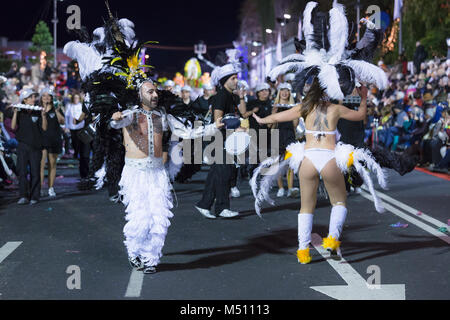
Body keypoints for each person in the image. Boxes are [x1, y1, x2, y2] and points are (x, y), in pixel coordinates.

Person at [250, 1, 389, 264]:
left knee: (306, 207)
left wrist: (262, 117)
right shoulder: (335, 108)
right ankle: (331, 240)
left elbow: (279, 115)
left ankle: (303, 252)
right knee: (339, 202)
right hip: (329, 157)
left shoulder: (305, 106)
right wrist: (362, 96)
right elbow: (360, 116)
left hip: (307, 159)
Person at [110, 80, 224, 273]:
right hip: (135, 174)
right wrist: (115, 117)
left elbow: (187, 132)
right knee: (140, 217)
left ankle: (151, 259)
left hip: (157, 173)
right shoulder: (131, 115)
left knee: (159, 216)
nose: (155, 95)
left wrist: (213, 127)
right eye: (149, 92)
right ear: (139, 95)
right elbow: (116, 123)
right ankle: (134, 251)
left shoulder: (162, 116)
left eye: (156, 91)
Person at [195, 50, 255, 219]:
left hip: (227, 140)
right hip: (220, 139)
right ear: (224, 81)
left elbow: (242, 114)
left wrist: (241, 98)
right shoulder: (221, 96)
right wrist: (236, 129)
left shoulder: (231, 96)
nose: (236, 80)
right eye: (233, 78)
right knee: (223, 174)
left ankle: (205, 204)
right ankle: (221, 207)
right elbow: (218, 120)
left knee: (217, 173)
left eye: (236, 77)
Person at [11, 88, 48, 205]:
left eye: (34, 97)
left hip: (36, 146)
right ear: (25, 100)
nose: (34, 99)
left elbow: (44, 128)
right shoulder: (20, 111)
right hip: (22, 145)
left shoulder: (38, 110)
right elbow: (13, 127)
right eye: (31, 97)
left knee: (35, 172)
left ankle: (34, 196)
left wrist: (43, 116)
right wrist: (15, 113)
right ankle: (23, 195)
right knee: (22, 171)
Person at [271, 83, 300, 198]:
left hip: (289, 135)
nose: (284, 92)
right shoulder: (275, 105)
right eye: (282, 90)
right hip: (277, 135)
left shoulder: (293, 106)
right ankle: (281, 188)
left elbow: (295, 124)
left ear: (289, 92)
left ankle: (290, 187)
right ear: (279, 92)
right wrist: (273, 112)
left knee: (289, 164)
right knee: (277, 163)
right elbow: (271, 125)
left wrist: (296, 112)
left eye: (287, 90)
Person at [40, 87, 65, 197]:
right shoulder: (38, 109)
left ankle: (51, 188)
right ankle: (40, 188)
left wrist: (56, 109)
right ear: (41, 98)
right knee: (40, 165)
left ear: (52, 97)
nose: (46, 98)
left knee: (52, 164)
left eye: (48, 95)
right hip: (41, 140)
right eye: (44, 95)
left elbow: (62, 121)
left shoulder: (57, 108)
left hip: (54, 138)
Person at [64, 93, 91, 180]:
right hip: (76, 128)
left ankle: (88, 172)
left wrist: (79, 120)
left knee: (86, 152)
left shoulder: (83, 105)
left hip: (84, 128)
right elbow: (68, 116)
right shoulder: (70, 106)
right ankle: (84, 172)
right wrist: (67, 126)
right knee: (81, 150)